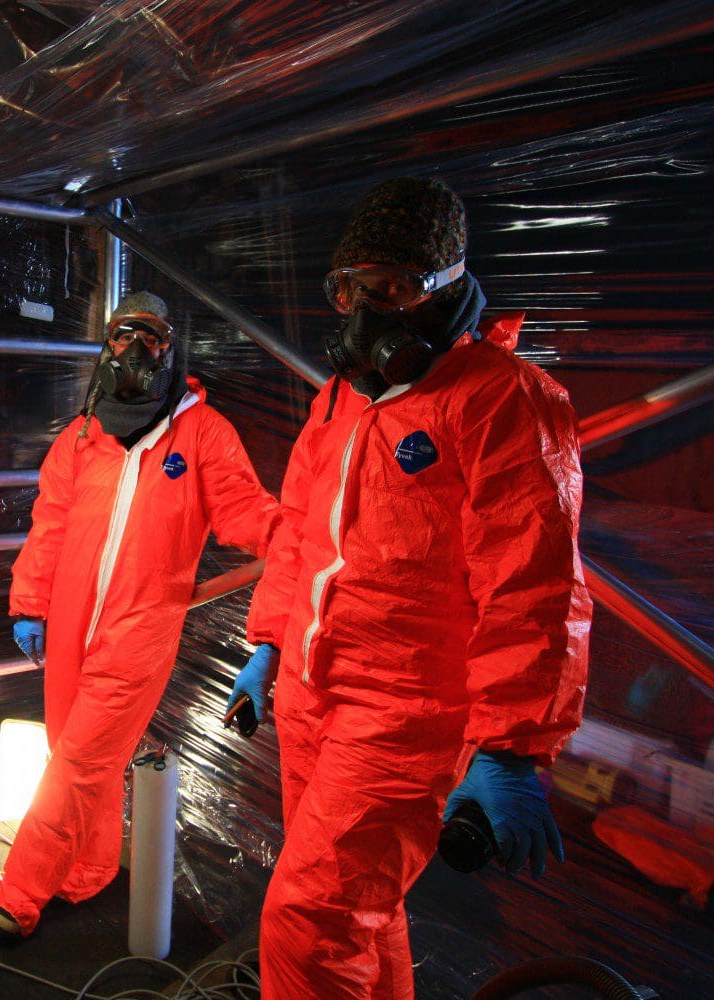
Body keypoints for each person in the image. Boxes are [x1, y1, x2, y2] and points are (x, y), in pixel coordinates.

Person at [228, 177, 590, 998]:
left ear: (445, 289)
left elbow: (535, 584)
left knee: (308, 916)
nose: (362, 311)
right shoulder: (339, 402)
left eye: (389, 290)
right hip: (316, 695)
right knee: (361, 908)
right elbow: (298, 537)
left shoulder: (503, 399)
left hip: (410, 714)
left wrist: (511, 744)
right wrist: (269, 642)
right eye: (348, 289)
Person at [0, 291, 281, 939]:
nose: (133, 350)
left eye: (150, 336)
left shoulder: (203, 435)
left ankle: (21, 890)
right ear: (105, 344)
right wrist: (31, 603)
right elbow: (49, 527)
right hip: (67, 626)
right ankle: (89, 870)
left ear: (173, 349)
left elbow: (243, 514)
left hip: (140, 632)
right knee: (72, 753)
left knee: (82, 763)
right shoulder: (84, 435)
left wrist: (301, 534)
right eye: (122, 334)